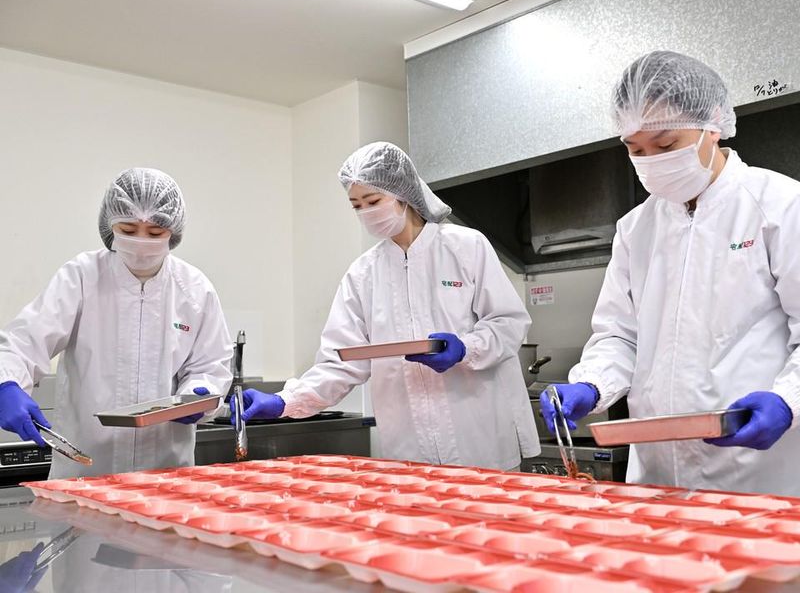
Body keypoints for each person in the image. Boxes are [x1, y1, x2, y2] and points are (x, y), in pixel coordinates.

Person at [541, 50, 800, 494]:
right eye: (635, 150)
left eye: (665, 145)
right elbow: (619, 336)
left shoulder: (780, 206)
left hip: (757, 471)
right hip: (657, 474)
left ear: (712, 124)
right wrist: (590, 384)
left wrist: (788, 401)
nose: (651, 161)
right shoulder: (635, 229)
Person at [236, 142, 539, 470]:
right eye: (356, 205)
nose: (366, 212)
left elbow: (509, 323)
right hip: (409, 455)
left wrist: (466, 349)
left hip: (481, 443)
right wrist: (284, 401)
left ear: (402, 194)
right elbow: (341, 362)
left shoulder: (466, 247)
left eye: (373, 201)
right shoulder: (363, 275)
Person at [0, 168, 232, 479]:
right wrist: (7, 384)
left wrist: (197, 396)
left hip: (164, 477)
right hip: (85, 473)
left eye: (155, 232)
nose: (141, 242)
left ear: (174, 231)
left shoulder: (194, 289)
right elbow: (25, 341)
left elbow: (211, 366)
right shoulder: (82, 276)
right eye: (128, 229)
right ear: (110, 225)